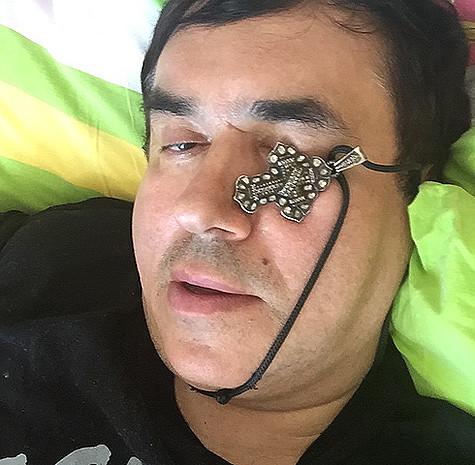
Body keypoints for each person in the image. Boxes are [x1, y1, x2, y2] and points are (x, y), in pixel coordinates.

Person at [1, 1, 474, 464]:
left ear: (416, 186)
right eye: (182, 143)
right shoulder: (54, 262)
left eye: (289, 152)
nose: (200, 211)